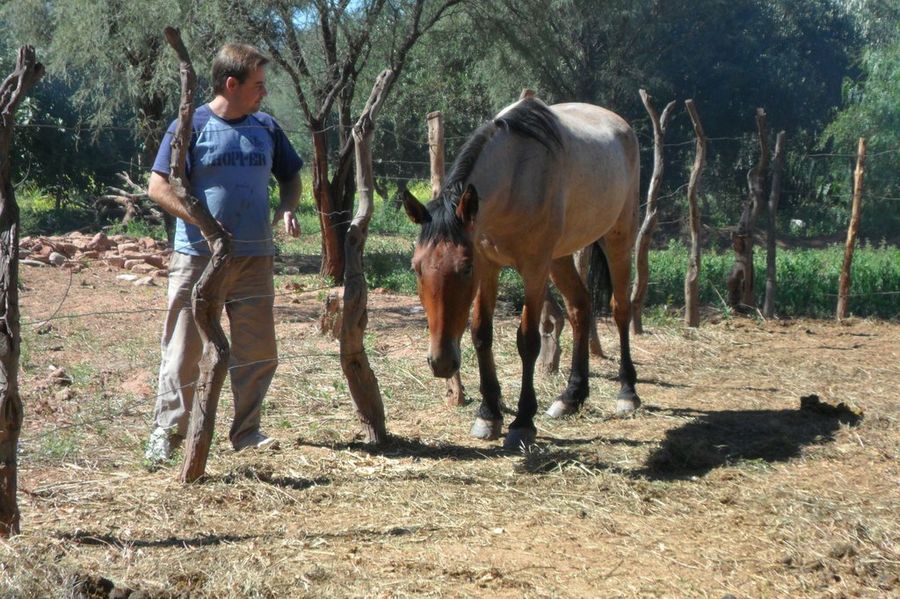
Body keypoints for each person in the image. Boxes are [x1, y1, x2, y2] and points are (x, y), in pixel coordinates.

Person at [144, 43, 303, 463]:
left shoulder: (266, 127)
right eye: (258, 85)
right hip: (196, 257)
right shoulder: (189, 125)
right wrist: (204, 225)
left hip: (254, 259)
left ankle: (247, 431)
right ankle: (167, 432)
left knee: (257, 350)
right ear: (231, 84)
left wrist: (287, 207)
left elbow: (291, 177)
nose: (263, 93)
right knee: (183, 349)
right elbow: (158, 187)